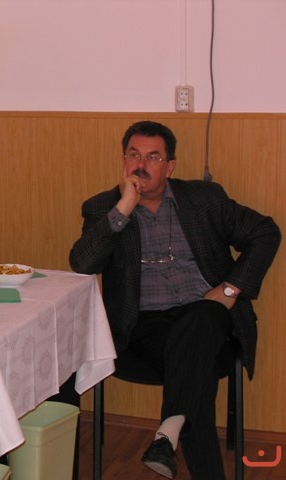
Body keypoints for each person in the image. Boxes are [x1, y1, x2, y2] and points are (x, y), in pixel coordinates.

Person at [69, 120, 280, 479]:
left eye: (153, 157)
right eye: (134, 155)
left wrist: (230, 289)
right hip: (145, 329)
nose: (141, 165)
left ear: (170, 166)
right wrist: (124, 208)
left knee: (202, 319)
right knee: (196, 368)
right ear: (123, 160)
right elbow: (83, 263)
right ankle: (169, 434)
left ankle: (168, 434)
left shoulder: (203, 200)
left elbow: (265, 232)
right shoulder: (103, 208)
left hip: (210, 318)